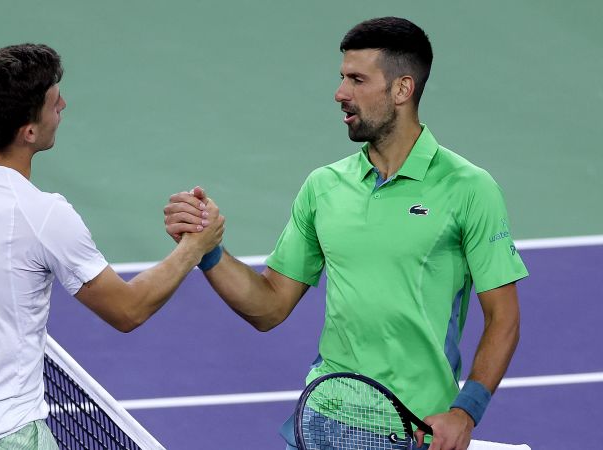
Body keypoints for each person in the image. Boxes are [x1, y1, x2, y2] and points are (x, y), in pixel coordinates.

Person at [164, 17, 527, 450]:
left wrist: (465, 411)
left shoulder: (470, 189)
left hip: (412, 427)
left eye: (357, 80)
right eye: (342, 78)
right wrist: (208, 251)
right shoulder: (324, 186)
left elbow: (503, 317)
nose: (340, 93)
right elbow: (269, 306)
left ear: (401, 90)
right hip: (322, 418)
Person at [0, 43, 223, 449]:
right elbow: (128, 309)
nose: (64, 105)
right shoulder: (44, 215)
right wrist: (195, 247)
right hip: (9, 437)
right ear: (29, 131)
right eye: (55, 103)